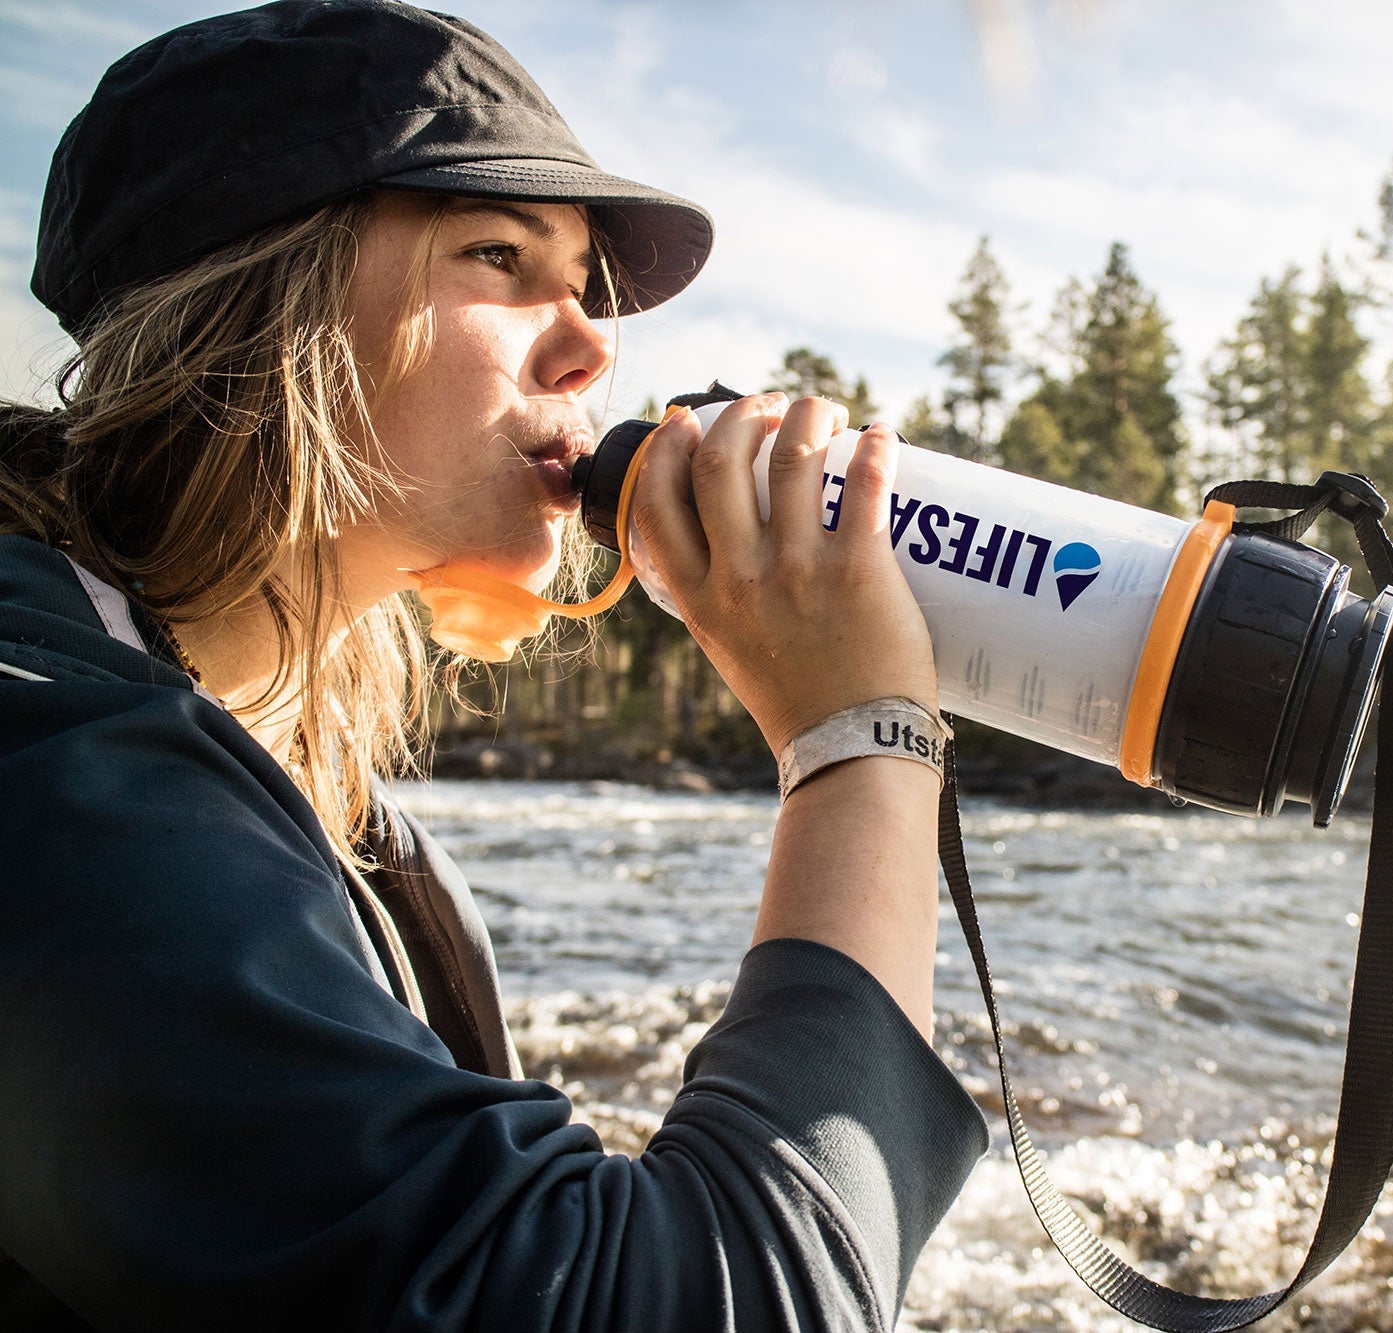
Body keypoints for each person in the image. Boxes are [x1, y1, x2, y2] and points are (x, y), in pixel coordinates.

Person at [0, 3, 985, 1329]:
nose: (593, 346)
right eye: (499, 255)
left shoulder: (339, 826)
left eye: (585, 286)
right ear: (258, 300)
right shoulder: (52, 773)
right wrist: (860, 738)